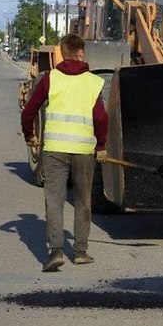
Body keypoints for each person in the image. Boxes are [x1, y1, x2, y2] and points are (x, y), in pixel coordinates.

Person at [21, 33, 109, 272]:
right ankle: (80, 252)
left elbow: (29, 111)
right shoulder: (93, 82)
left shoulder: (51, 79)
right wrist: (101, 146)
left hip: (55, 151)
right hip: (83, 151)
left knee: (55, 201)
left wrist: (30, 135)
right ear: (81, 54)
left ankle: (56, 251)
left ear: (62, 52)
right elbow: (101, 117)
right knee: (83, 201)